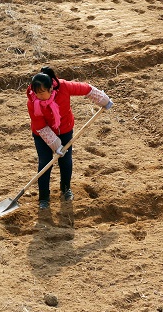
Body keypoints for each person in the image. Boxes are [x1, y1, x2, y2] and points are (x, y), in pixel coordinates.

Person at [26, 67, 112, 209]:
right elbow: (40, 126)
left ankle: (66, 189)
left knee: (66, 161)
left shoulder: (64, 87)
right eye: (36, 92)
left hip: (65, 129)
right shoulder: (32, 102)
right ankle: (44, 198)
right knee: (45, 163)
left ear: (51, 89)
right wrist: (55, 145)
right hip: (42, 135)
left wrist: (103, 100)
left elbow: (86, 89)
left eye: (42, 92)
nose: (39, 96)